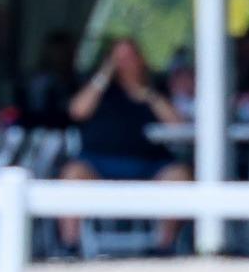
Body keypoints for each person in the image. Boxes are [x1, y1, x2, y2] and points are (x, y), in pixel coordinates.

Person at [59, 38, 191, 252]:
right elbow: (77, 111)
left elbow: (178, 124)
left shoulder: (156, 87)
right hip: (99, 163)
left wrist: (148, 94)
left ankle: (164, 246)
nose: (125, 63)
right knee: (72, 174)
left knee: (180, 176)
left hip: (150, 163)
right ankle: (70, 245)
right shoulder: (99, 89)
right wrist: (103, 76)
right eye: (119, 58)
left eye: (130, 57)